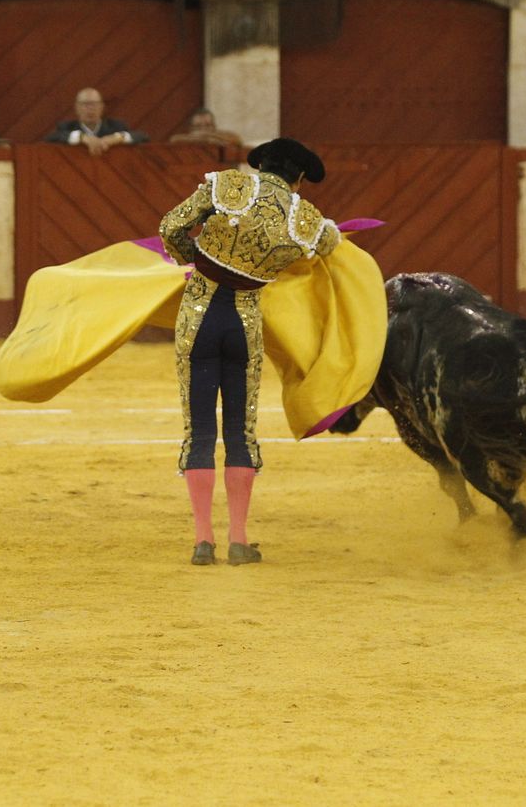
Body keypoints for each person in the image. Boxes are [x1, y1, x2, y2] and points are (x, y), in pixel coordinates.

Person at [157, 138, 341, 567]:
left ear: (261, 166)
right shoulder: (304, 217)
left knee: (199, 429)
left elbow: (170, 227)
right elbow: (330, 246)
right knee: (241, 429)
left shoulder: (227, 186)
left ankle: (204, 542)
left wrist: (198, 261)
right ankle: (239, 540)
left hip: (199, 315)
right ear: (298, 179)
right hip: (244, 323)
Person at [43, 88, 147, 152]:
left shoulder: (116, 126)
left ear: (102, 107)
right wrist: (82, 138)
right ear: (76, 108)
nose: (90, 108)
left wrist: (115, 138)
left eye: (94, 104)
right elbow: (51, 138)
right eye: (85, 104)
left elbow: (143, 137)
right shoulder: (66, 127)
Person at [168, 107, 243, 145]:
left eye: (207, 125)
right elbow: (174, 140)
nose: (203, 129)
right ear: (191, 128)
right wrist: (207, 139)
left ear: (214, 126)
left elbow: (237, 139)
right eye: (198, 126)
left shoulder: (221, 136)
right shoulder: (185, 139)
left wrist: (205, 135)